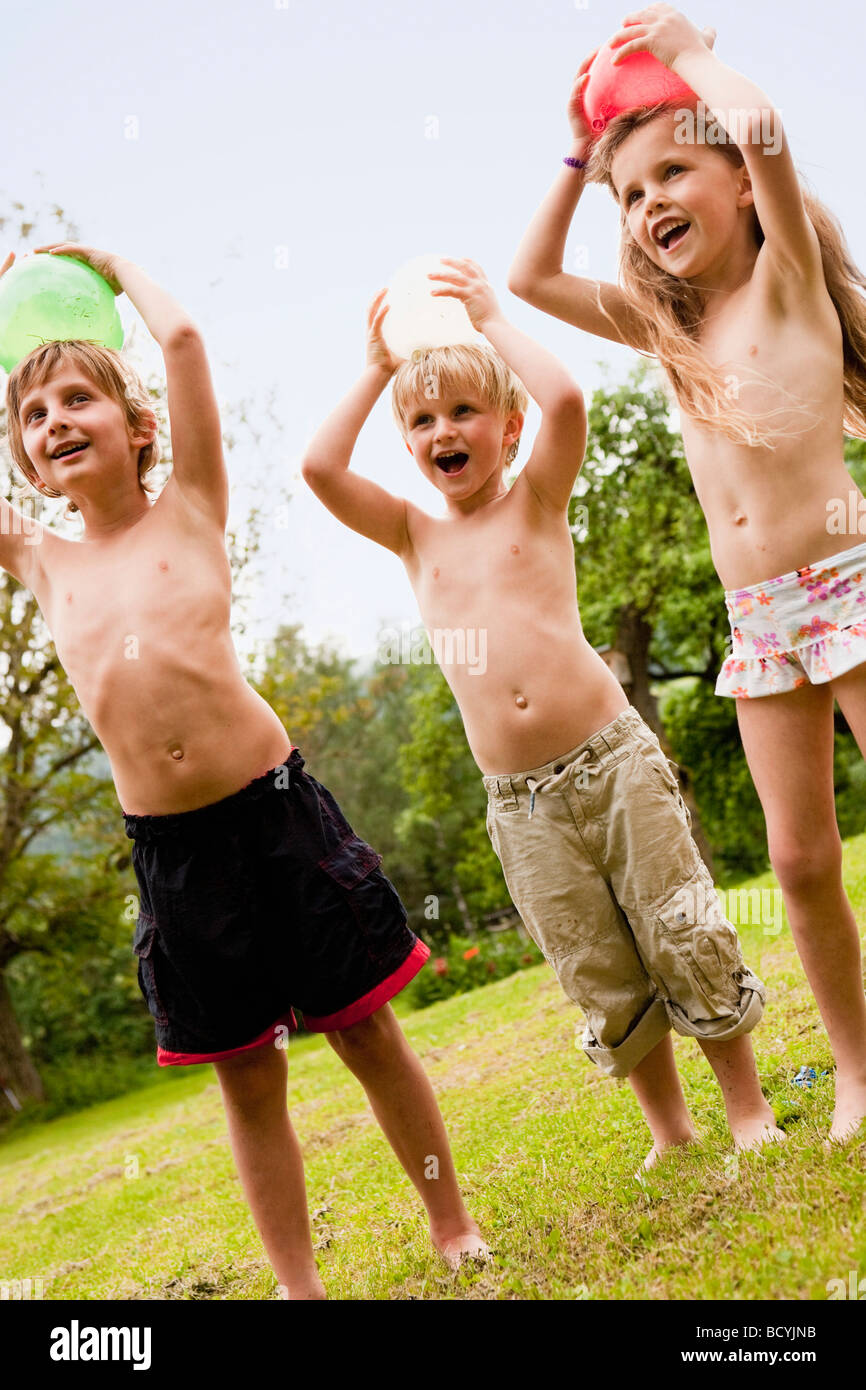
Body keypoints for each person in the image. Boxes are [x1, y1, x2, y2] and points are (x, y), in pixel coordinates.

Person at [0, 243, 486, 1298]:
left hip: (276, 814)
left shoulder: (192, 501)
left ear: (137, 426)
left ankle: (452, 1225)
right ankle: (298, 1288)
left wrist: (109, 269)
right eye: (33, 416)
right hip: (174, 854)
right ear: (27, 462)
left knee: (365, 1032)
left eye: (78, 399)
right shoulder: (39, 558)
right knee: (248, 1082)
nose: (56, 422)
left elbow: (181, 340)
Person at [301, 256, 783, 1169]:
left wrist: (491, 321)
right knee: (596, 963)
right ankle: (672, 1131)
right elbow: (319, 468)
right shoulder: (412, 534)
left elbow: (565, 400)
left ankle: (747, 1107)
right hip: (521, 803)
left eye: (464, 411)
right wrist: (375, 370)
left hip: (611, 760)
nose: (443, 430)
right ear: (408, 444)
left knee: (680, 927)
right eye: (422, 420)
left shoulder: (537, 497)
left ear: (508, 429)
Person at [507, 3, 866, 1144]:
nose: (649, 201)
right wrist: (580, 152)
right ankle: (856, 1075)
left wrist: (688, 55)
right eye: (631, 194)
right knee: (797, 862)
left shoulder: (786, 281)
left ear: (741, 186)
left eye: (673, 172)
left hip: (851, 583)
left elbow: (764, 131)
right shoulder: (666, 334)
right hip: (759, 620)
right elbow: (528, 276)